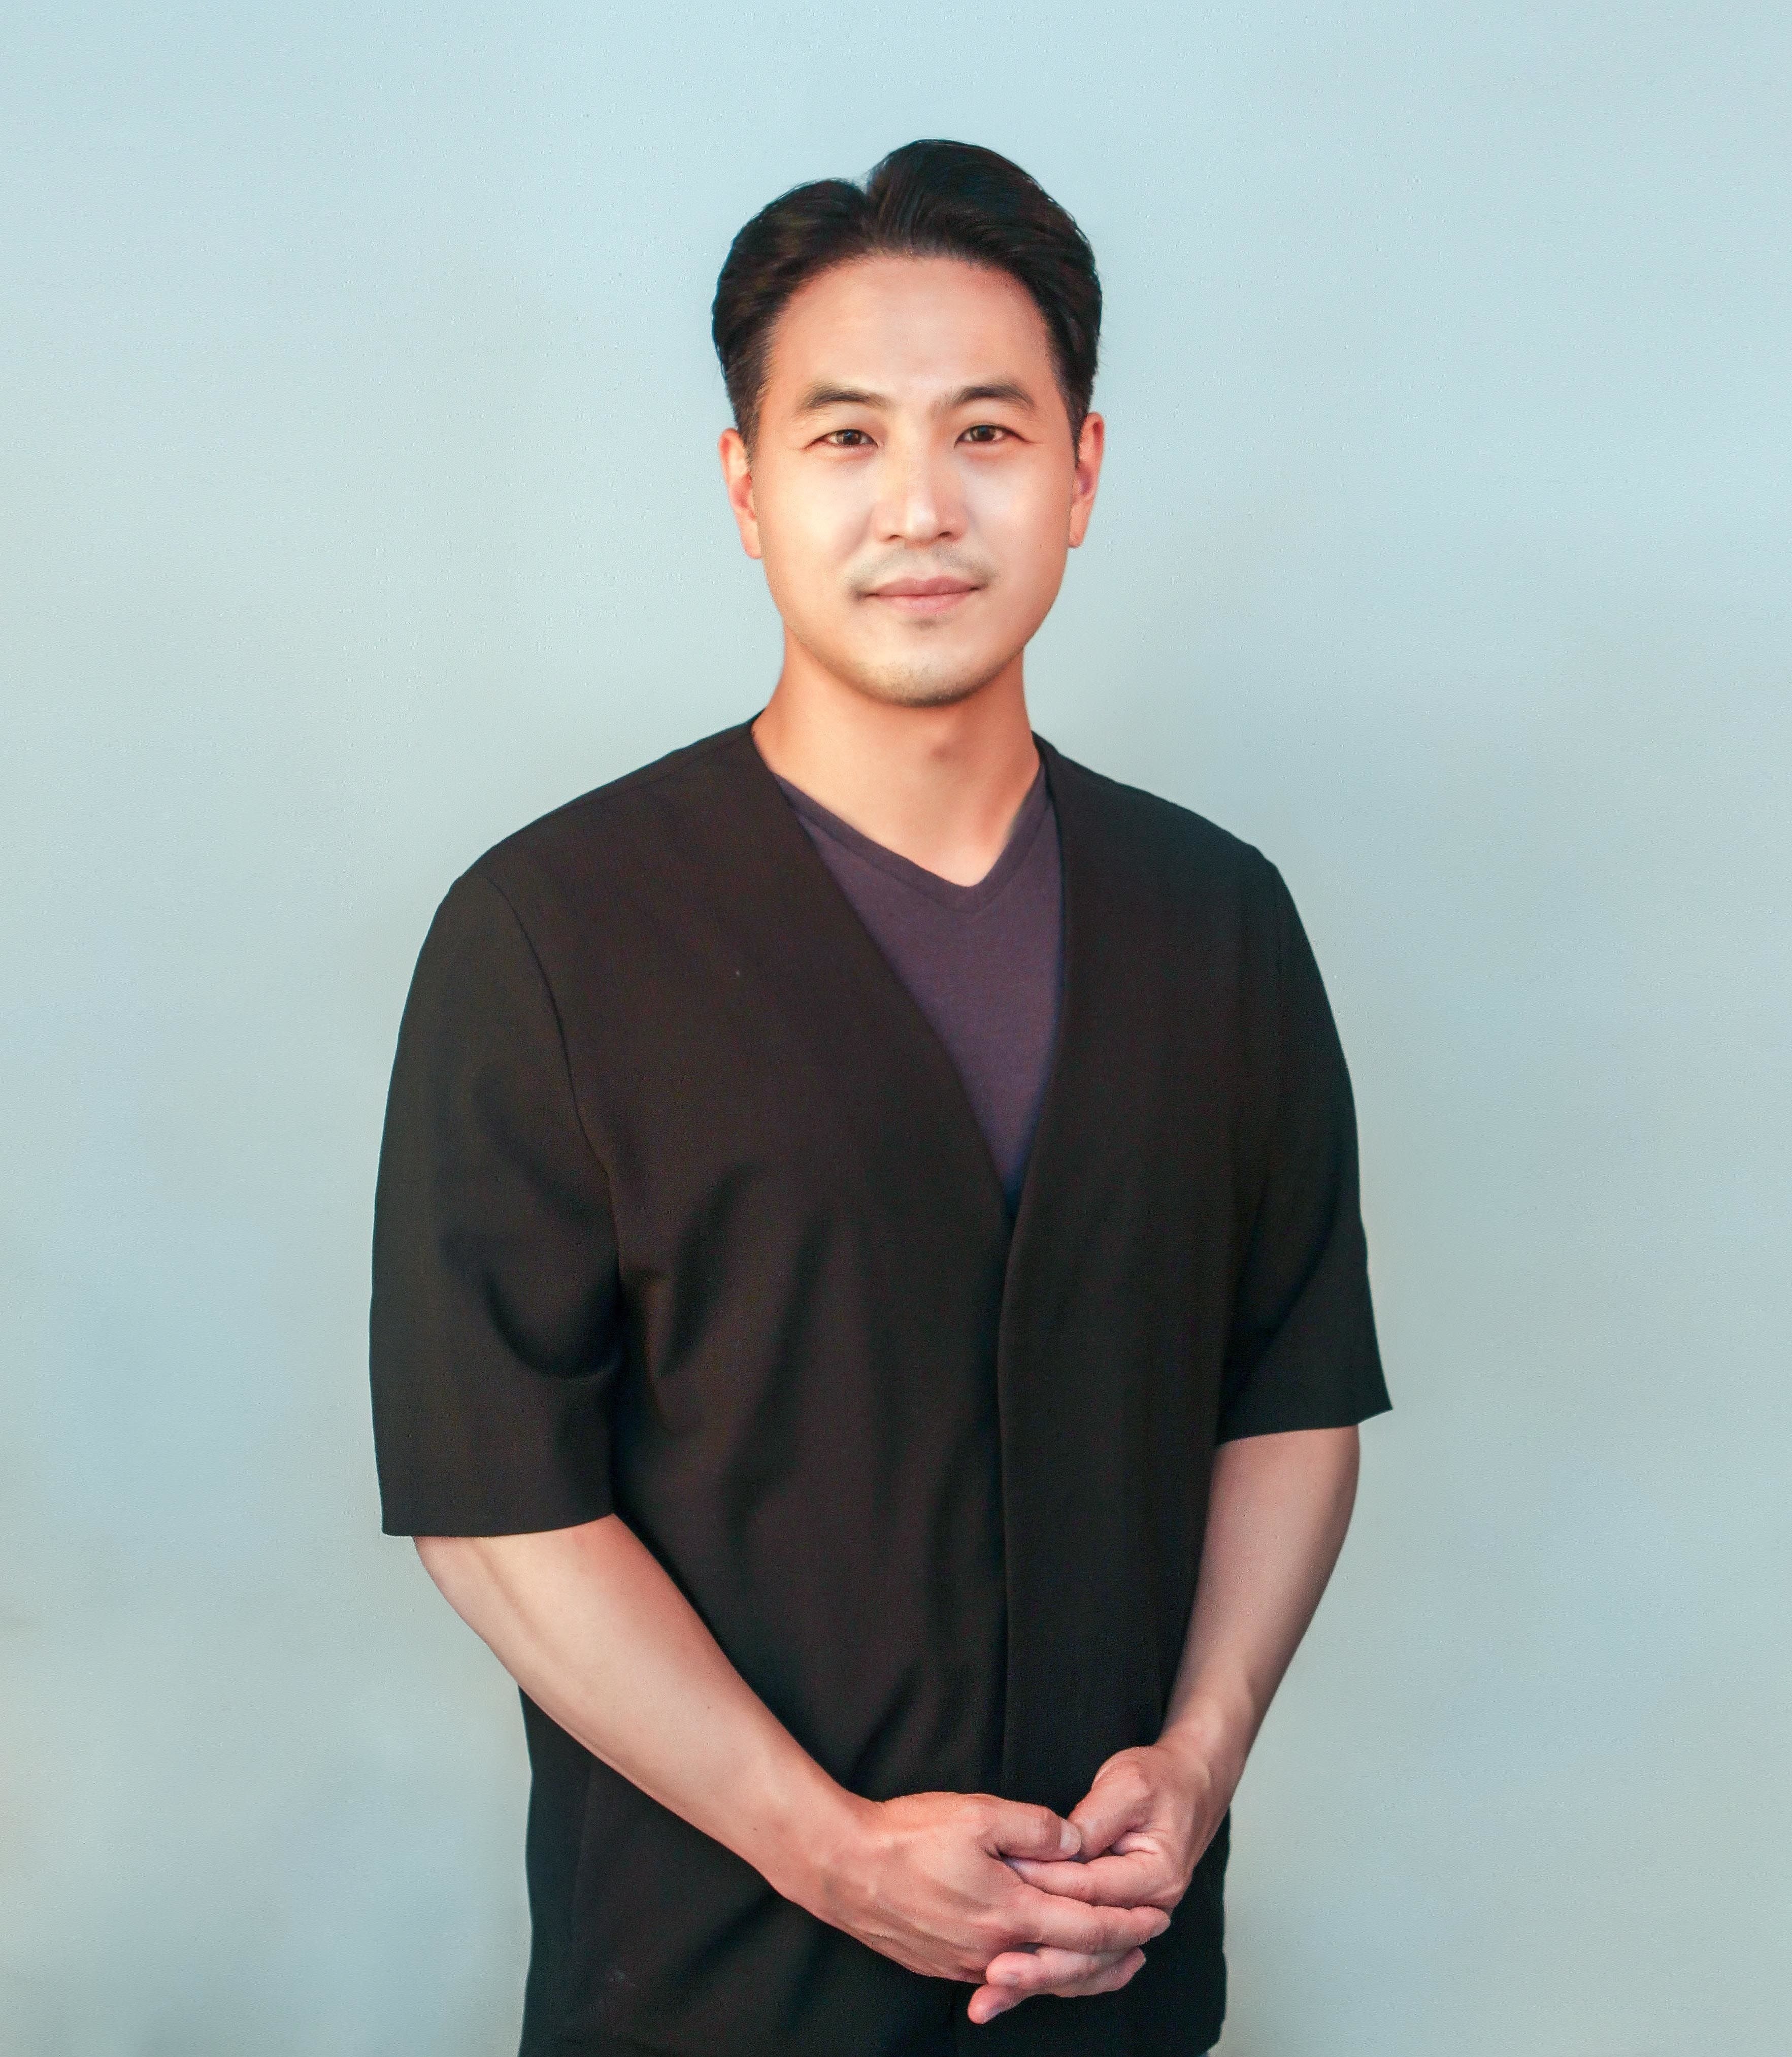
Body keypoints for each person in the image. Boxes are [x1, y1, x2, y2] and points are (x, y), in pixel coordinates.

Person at [370, 138, 1387, 2057]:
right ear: (745, 486)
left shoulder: (1215, 922)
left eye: (987, 432)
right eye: (845, 437)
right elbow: (495, 1498)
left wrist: (1200, 1754)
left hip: (1113, 1975)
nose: (921, 504)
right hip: (705, 1986)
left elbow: (1291, 1391)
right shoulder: (555, 932)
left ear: (1081, 474)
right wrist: (823, 1846)